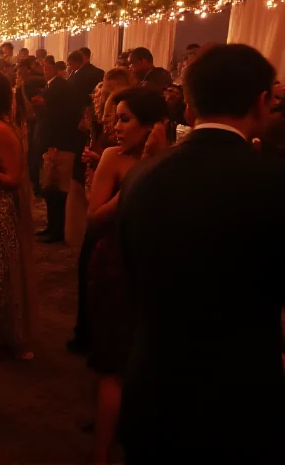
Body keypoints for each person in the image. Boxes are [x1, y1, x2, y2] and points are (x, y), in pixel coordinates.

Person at [118, 44, 285, 463]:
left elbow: (131, 273)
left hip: (151, 383)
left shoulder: (142, 174)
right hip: (238, 397)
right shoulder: (272, 181)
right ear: (262, 102)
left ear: (189, 106)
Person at [85, 87, 168, 464]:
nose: (115, 127)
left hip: (158, 267)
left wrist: (156, 161)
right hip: (116, 266)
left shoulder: (173, 159)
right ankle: (101, 453)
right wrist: (136, 180)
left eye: (124, 119)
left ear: (151, 126)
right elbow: (94, 218)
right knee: (112, 366)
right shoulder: (112, 158)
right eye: (115, 118)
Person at [0, 72, 38, 361]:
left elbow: (16, 177)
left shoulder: (1, 128)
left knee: (0, 272)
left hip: (0, 208)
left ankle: (1, 335)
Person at [33, 56, 81, 243]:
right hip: (54, 143)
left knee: (56, 189)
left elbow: (59, 118)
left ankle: (57, 229)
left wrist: (41, 106)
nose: (44, 71)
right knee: (50, 188)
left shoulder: (60, 87)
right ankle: (52, 226)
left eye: (46, 68)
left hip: (58, 144)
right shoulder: (57, 86)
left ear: (54, 68)